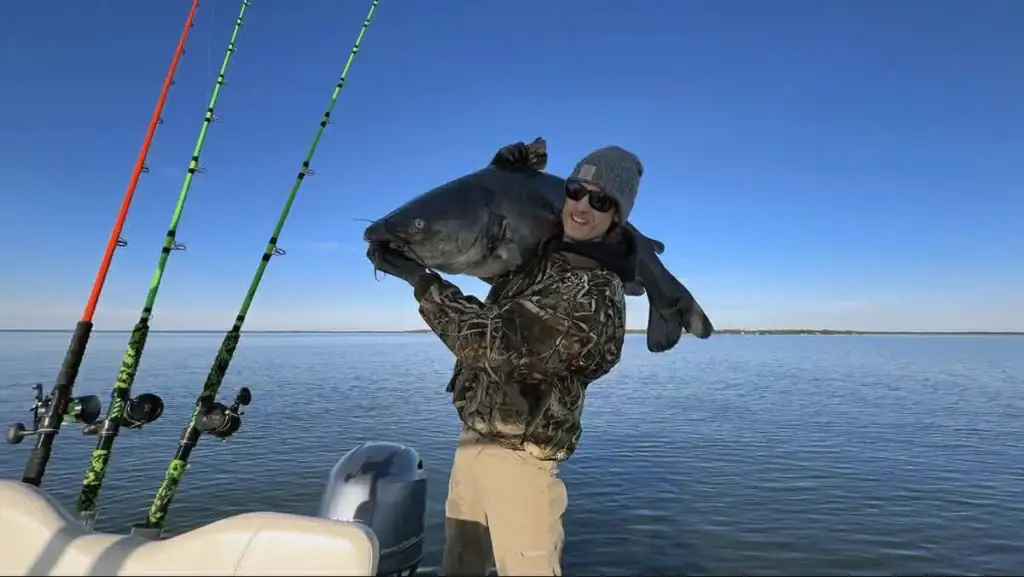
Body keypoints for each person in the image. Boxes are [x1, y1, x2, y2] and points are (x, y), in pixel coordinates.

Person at [370, 141, 644, 576]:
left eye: (601, 200)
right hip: (475, 440)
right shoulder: (542, 266)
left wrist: (420, 281)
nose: (581, 206)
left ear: (616, 215)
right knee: (460, 566)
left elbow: (490, 344)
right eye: (575, 190)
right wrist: (506, 169)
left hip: (522, 461)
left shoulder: (592, 290)